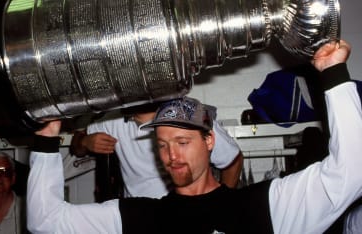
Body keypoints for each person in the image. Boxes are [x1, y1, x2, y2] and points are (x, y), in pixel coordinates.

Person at [27, 39, 360, 233]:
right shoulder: (139, 217)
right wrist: (46, 137)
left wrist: (334, 74)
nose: (172, 155)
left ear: (209, 141)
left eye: (183, 142)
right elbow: (45, 221)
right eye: (162, 145)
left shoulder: (261, 206)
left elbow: (350, 173)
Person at [70, 101, 243, 198]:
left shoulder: (188, 115)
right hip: (141, 218)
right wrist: (86, 141)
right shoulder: (112, 121)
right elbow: (76, 147)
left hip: (189, 215)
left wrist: (220, 205)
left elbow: (233, 160)